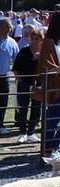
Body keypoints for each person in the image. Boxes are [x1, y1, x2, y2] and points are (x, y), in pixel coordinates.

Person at [12, 28, 44, 144]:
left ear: (41, 40)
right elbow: (15, 69)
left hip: (38, 85)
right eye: (32, 38)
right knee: (23, 109)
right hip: (24, 84)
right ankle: (22, 133)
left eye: (37, 38)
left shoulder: (44, 53)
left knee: (36, 109)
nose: (34, 41)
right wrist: (20, 81)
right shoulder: (24, 51)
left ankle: (31, 133)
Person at [37, 13, 60, 158]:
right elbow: (45, 65)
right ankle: (48, 149)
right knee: (52, 119)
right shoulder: (48, 42)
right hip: (56, 87)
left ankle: (55, 146)